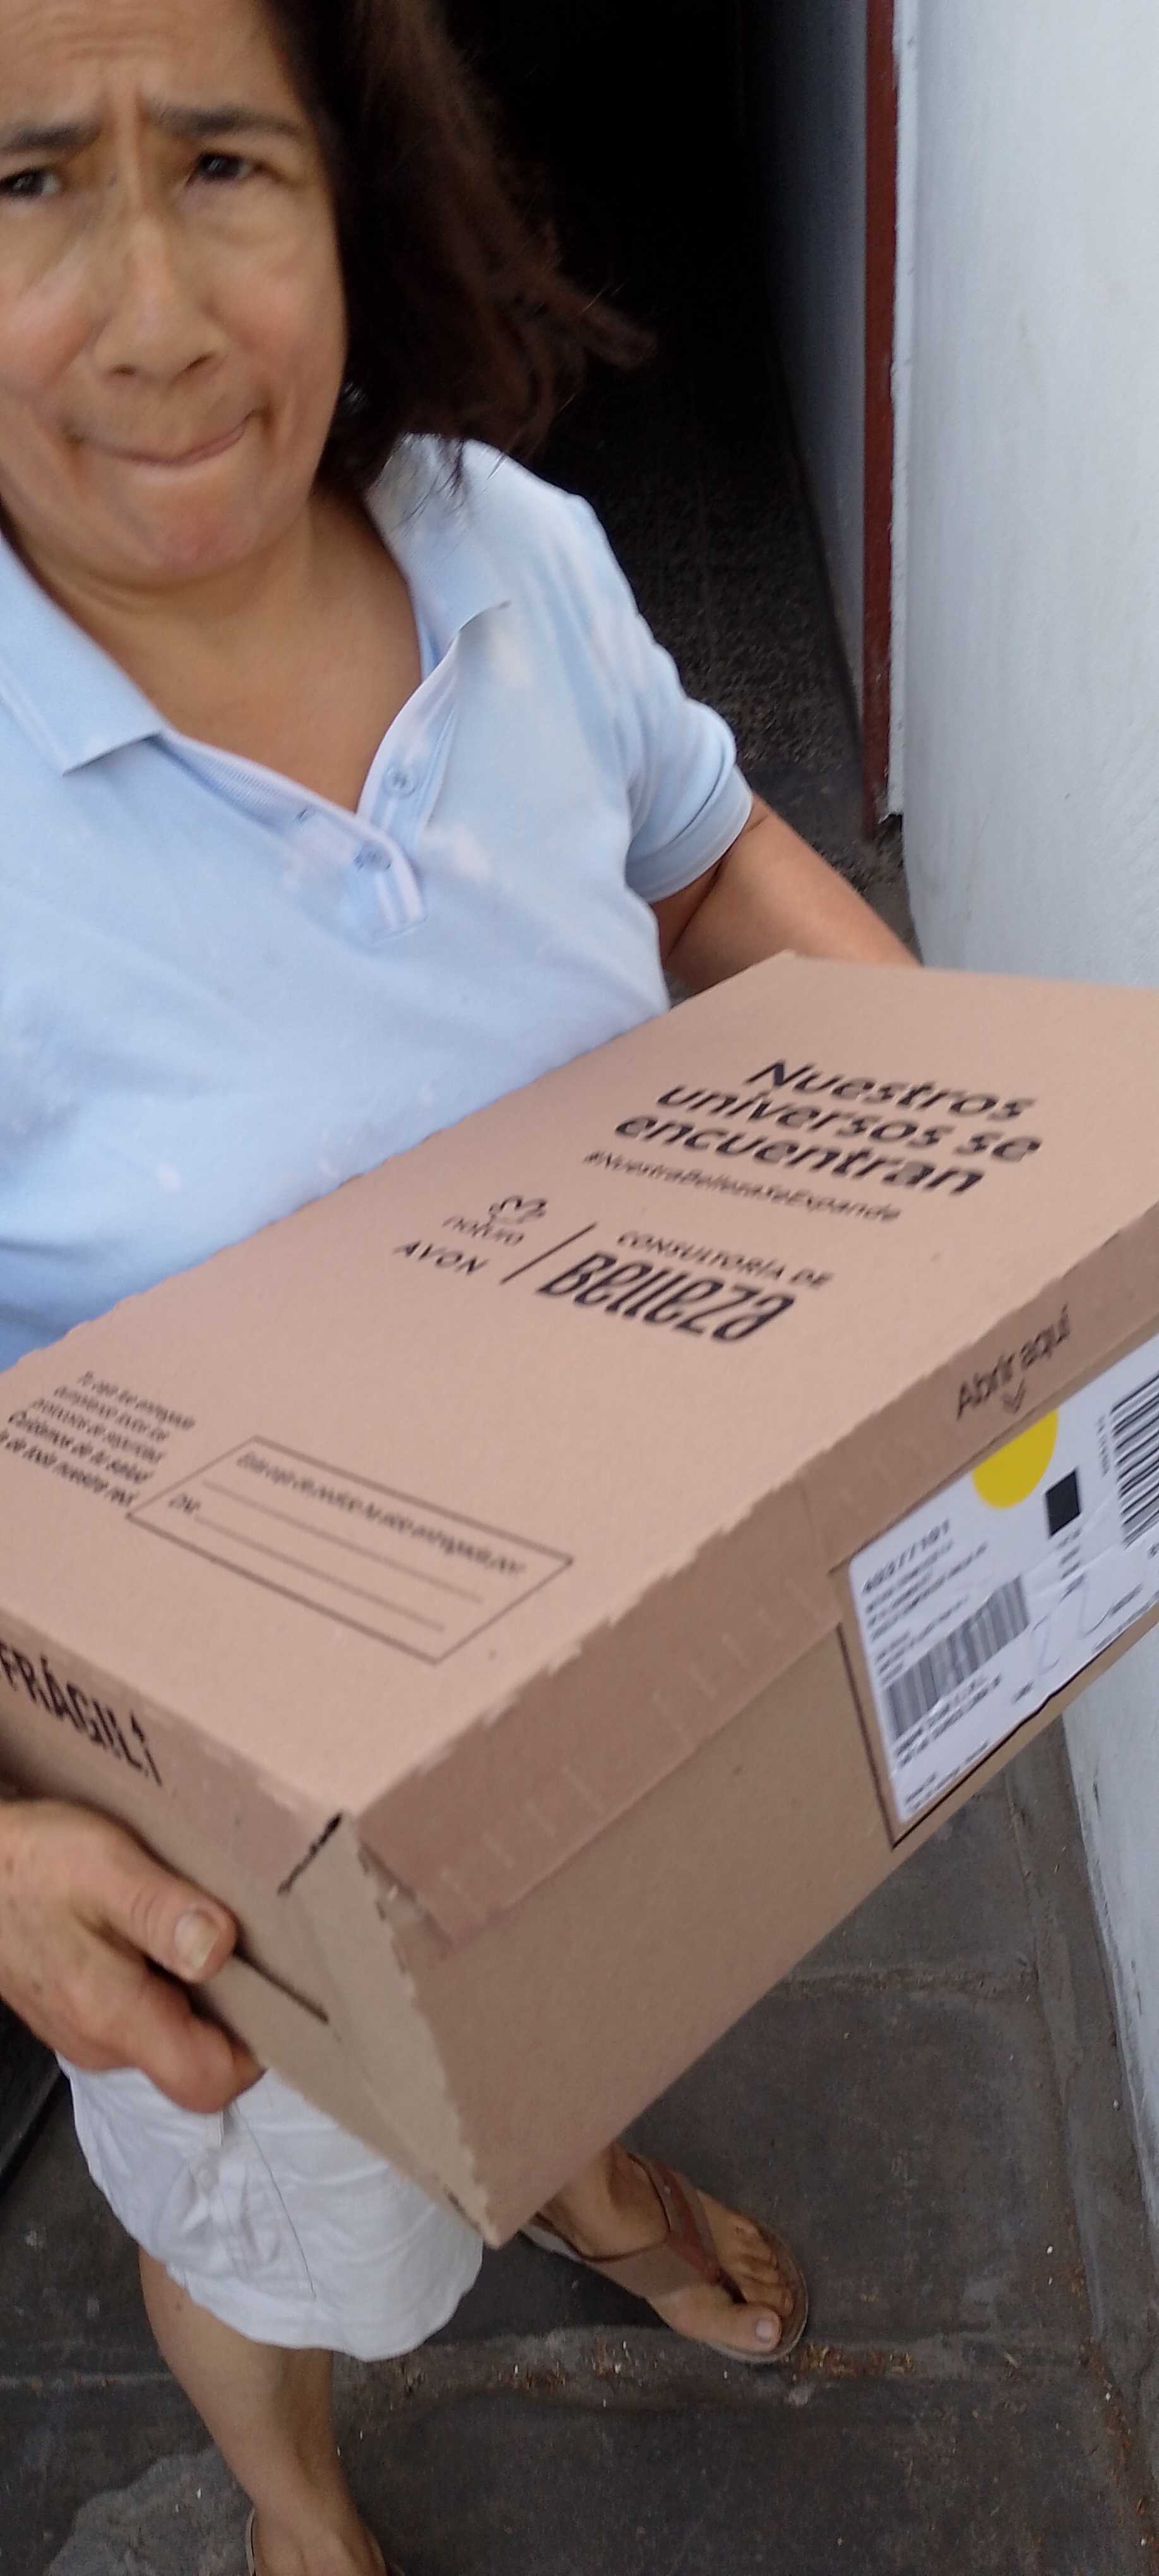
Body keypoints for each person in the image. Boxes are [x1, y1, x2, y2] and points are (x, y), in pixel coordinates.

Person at [0, 1, 915, 2568]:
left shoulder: (502, 548)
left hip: (635, 1591)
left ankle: (586, 2173)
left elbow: (705, 858)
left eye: (223, 161)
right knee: (301, 2236)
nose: (158, 313)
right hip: (231, 1809)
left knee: (613, 1962)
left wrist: (984, 1183)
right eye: (25, 184)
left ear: (357, 193)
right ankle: (290, 2496)